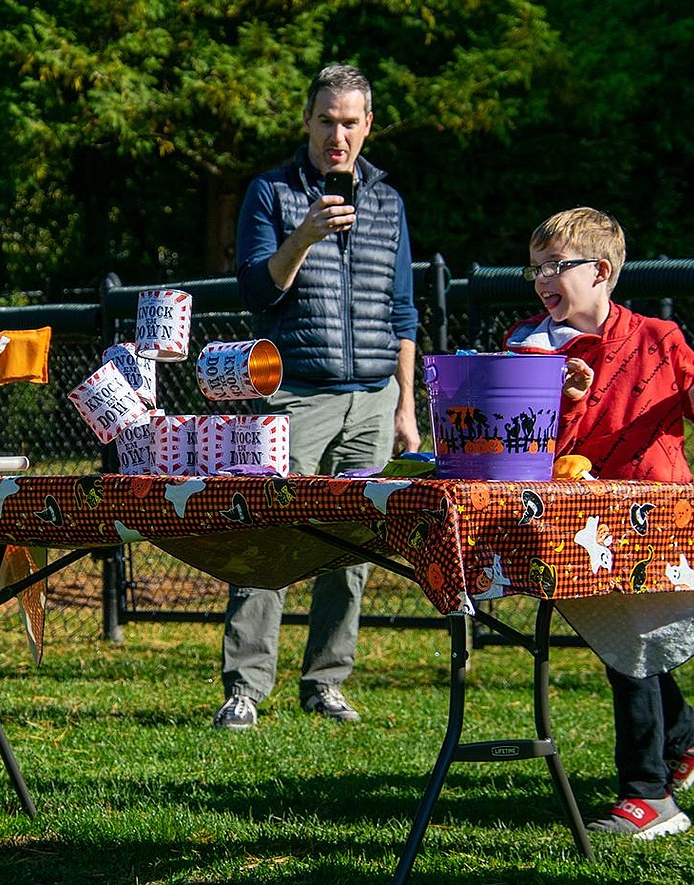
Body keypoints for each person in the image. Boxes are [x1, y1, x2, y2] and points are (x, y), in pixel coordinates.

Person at [504, 206, 694, 838]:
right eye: (536, 268)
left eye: (557, 266)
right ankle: (691, 735)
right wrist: (561, 394)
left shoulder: (657, 337)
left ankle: (649, 796)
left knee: (633, 647)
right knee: (627, 646)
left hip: (653, 514)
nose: (542, 279)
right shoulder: (529, 342)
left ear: (601, 271)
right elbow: (523, 434)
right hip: (576, 517)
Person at [212, 64, 421, 730]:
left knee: (349, 547)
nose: (338, 135)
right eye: (326, 120)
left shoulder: (387, 199)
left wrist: (405, 404)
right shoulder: (271, 193)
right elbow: (257, 292)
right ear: (307, 122)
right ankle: (245, 685)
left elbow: (404, 310)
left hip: (372, 397)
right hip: (295, 393)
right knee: (268, 532)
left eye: (350, 122)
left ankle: (326, 680)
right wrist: (303, 234)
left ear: (367, 126)